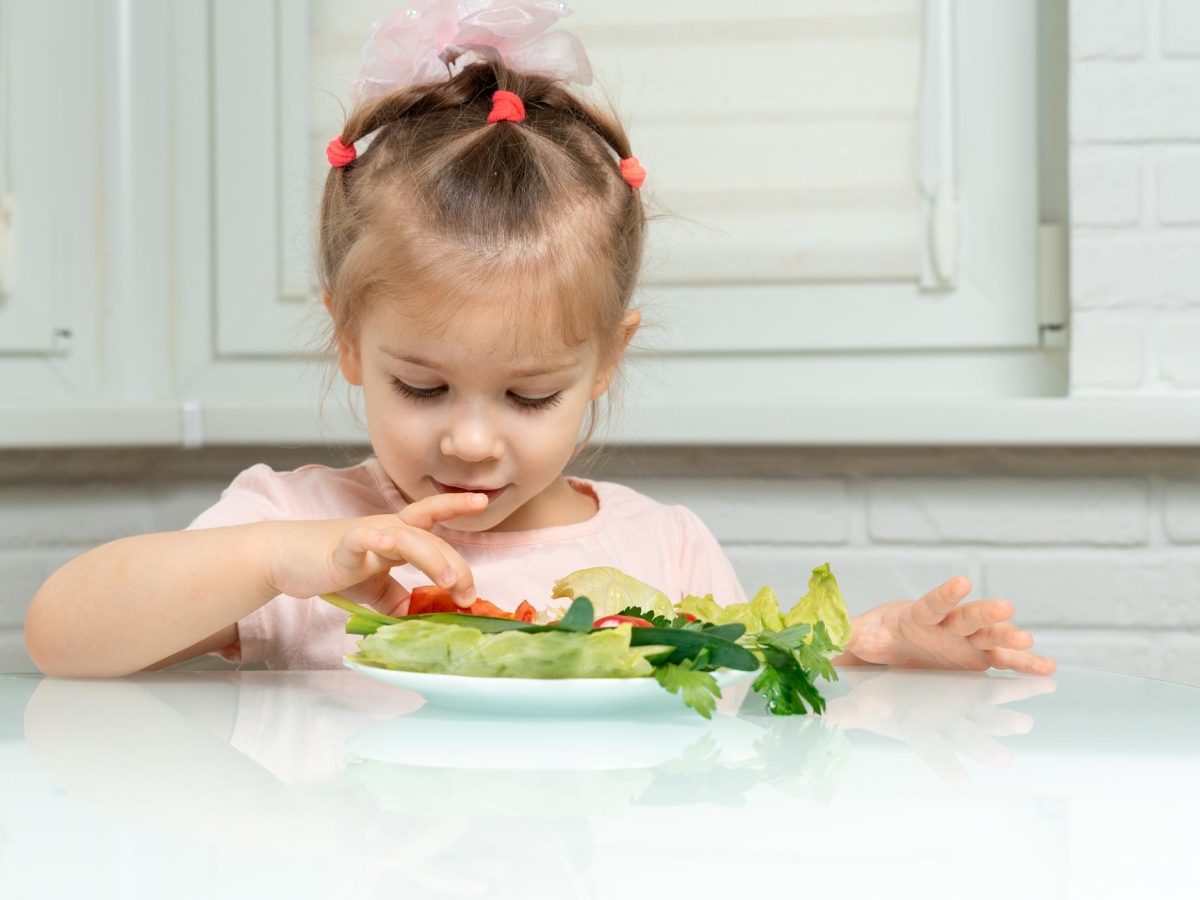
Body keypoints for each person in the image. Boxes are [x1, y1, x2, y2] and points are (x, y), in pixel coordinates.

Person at [23, 4, 1055, 680]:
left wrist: (865, 653)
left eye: (529, 397)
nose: (471, 443)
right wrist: (289, 560)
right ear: (348, 343)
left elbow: (741, 723)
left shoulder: (665, 550)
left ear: (607, 360)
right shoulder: (303, 525)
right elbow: (61, 635)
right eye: (422, 386)